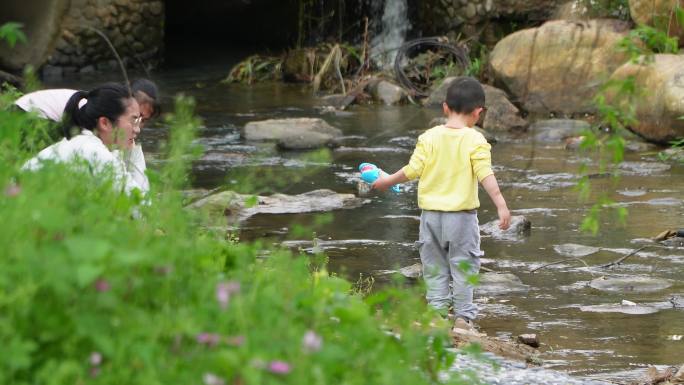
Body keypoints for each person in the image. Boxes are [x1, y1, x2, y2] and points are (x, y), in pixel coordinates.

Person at [372, 77, 511, 332]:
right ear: (479, 112)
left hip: (431, 217)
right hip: (461, 218)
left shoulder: (428, 137)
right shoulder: (476, 140)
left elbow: (412, 170)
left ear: (445, 107)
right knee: (464, 265)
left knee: (434, 267)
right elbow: (485, 174)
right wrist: (501, 204)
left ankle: (436, 315)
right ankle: (463, 319)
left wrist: (385, 182)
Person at [15, 79, 160, 190]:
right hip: (27, 116)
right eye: (135, 118)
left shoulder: (94, 125)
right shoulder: (88, 125)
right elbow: (139, 203)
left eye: (143, 121)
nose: (138, 127)